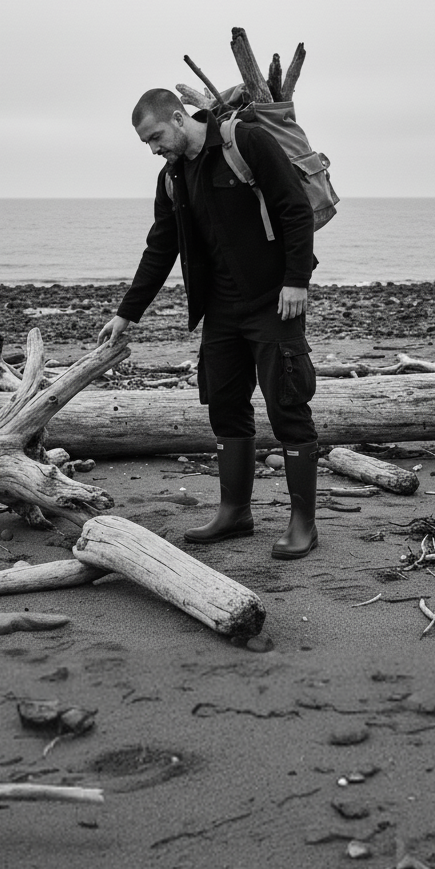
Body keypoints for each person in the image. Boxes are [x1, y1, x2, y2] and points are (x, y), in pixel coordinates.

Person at [96, 87, 321, 559]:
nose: (153, 149)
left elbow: (295, 209)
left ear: (179, 119)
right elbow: (161, 246)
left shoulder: (247, 142)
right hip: (220, 311)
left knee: (287, 406)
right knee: (224, 406)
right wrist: (126, 312)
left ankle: (304, 523)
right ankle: (235, 512)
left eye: (155, 137)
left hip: (274, 302)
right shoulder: (172, 177)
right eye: (146, 143)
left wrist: (296, 281)